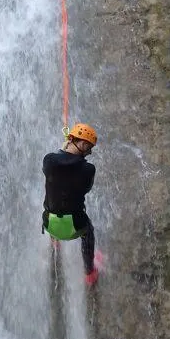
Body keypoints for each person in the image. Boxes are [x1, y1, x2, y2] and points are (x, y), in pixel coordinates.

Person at [42, 122, 101, 285]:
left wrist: (62, 151)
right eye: (89, 147)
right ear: (81, 143)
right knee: (88, 231)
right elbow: (86, 189)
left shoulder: (49, 160)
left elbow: (55, 165)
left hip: (50, 224)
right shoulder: (88, 169)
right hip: (74, 227)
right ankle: (89, 272)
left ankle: (55, 241)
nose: (90, 152)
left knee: (53, 200)